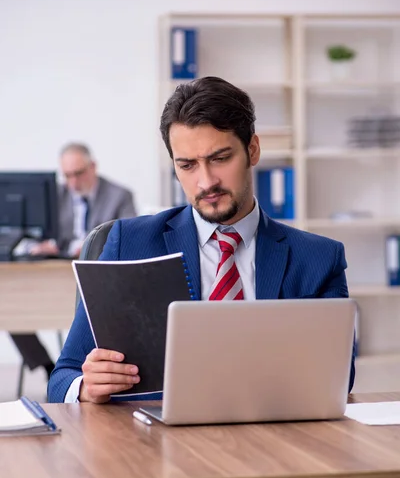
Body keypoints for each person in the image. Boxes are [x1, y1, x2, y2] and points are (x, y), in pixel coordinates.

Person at [48, 77, 356, 404]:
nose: (206, 181)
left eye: (220, 158)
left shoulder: (318, 258)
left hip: (270, 437)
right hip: (153, 444)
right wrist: (85, 385)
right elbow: (62, 377)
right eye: (188, 165)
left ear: (252, 149)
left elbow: (338, 378)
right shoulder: (129, 243)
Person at [10, 142, 137, 380]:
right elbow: (38, 232)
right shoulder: (56, 195)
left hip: (97, 277)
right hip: (54, 273)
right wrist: (43, 244)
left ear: (93, 167)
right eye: (67, 175)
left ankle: (84, 370)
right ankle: (48, 367)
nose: (73, 182)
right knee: (9, 305)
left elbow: (128, 237)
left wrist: (89, 246)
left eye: (78, 173)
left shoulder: (119, 195)